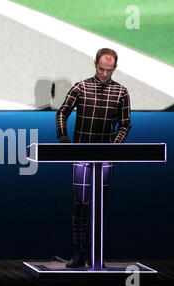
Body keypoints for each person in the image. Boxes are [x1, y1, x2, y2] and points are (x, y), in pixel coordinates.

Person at [56, 48, 131, 268]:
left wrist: (113, 147)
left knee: (100, 205)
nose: (105, 74)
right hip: (81, 154)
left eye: (109, 70)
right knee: (80, 203)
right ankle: (79, 252)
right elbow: (62, 111)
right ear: (95, 64)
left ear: (115, 68)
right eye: (101, 69)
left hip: (105, 158)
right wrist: (63, 136)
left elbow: (125, 125)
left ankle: (96, 253)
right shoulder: (81, 87)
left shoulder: (121, 92)